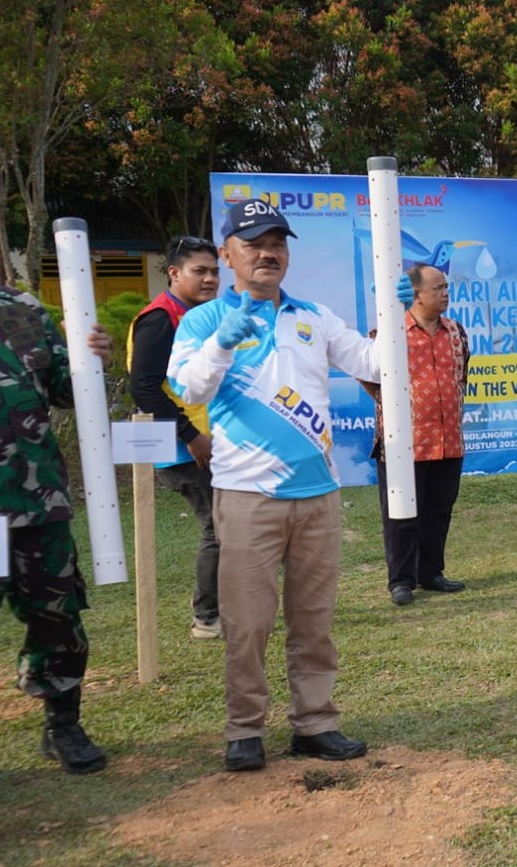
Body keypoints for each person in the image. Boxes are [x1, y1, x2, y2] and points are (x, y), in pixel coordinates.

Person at [170, 198, 401, 771]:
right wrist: (223, 339)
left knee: (314, 620)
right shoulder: (201, 321)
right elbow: (189, 390)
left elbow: (374, 364)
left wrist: (404, 318)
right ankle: (245, 730)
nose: (267, 253)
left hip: (318, 495)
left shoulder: (313, 316)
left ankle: (315, 723)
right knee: (247, 625)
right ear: (227, 255)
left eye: (277, 242)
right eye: (252, 243)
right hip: (248, 497)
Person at [0, 174, 113, 774]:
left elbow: (62, 388)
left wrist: (89, 359)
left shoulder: (22, 310)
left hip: (38, 504)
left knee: (58, 618)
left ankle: (63, 725)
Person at [128, 235, 223, 639]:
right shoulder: (160, 318)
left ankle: (224, 610)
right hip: (184, 449)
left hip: (209, 439)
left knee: (230, 526)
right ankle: (207, 618)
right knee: (219, 528)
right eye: (199, 271)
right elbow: (143, 387)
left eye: (215, 271)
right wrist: (190, 435)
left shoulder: (203, 315)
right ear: (174, 273)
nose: (210, 279)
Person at [365, 264, 470, 606]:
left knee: (439, 509)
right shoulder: (391, 333)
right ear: (415, 294)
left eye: (446, 287)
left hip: (448, 438)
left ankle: (431, 572)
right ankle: (401, 579)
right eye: (437, 288)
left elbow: (461, 376)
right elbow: (368, 374)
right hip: (404, 442)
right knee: (401, 513)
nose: (445, 293)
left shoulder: (456, 331)